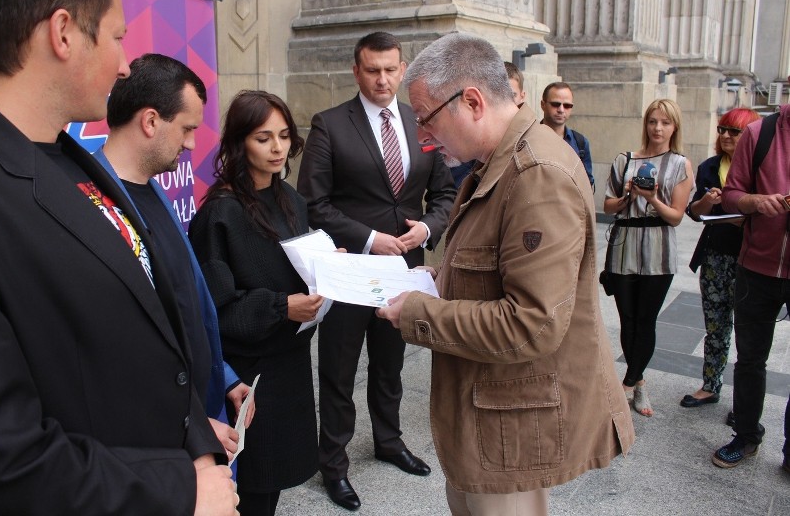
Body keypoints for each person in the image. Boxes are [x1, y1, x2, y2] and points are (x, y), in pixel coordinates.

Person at [0, 0, 238, 515]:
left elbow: (140, 332)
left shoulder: (73, 155)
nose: (126, 65)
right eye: (117, 37)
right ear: (63, 33)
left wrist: (196, 442)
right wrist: (176, 491)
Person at [376, 32, 634, 516]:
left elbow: (532, 322)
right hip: (494, 412)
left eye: (426, 119)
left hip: (512, 424)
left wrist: (419, 312)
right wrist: (440, 279)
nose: (423, 139)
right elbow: (495, 268)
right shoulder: (496, 162)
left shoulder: (536, 173)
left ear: (471, 101)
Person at [297, 31, 456, 511]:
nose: (382, 79)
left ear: (403, 69)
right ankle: (335, 465)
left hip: (403, 273)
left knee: (391, 365)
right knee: (339, 372)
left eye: (390, 69)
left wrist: (426, 231)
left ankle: (388, 441)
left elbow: (445, 194)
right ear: (356, 71)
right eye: (372, 70)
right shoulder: (329, 125)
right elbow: (312, 203)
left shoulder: (420, 122)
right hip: (348, 270)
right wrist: (369, 238)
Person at [93, 53, 255, 455]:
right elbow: (126, 351)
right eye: (186, 129)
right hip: (163, 439)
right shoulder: (92, 206)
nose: (191, 143)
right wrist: (192, 427)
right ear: (150, 121)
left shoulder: (153, 189)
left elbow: (184, 303)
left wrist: (226, 376)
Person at [189, 90, 324, 515]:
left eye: (284, 135)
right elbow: (216, 310)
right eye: (263, 137)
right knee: (249, 487)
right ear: (239, 142)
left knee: (275, 485)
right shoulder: (220, 214)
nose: (278, 147)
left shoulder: (292, 201)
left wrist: (327, 267)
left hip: (293, 361)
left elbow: (296, 268)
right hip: (249, 374)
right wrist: (281, 307)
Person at [711, 96, 790, 472]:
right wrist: (756, 201)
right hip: (756, 266)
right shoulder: (760, 133)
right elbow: (732, 194)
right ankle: (745, 435)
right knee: (750, 360)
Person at [603, 99, 694, 417]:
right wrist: (628, 196)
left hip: (659, 249)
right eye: (653, 121)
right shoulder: (624, 159)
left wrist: (652, 197)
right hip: (625, 245)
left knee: (646, 320)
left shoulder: (681, 164)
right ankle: (638, 383)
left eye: (665, 123)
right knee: (627, 319)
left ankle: (628, 383)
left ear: (675, 127)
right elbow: (607, 206)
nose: (658, 128)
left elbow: (676, 217)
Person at [680, 108, 760, 409]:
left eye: (734, 131)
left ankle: (745, 402)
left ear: (750, 135)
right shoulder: (710, 167)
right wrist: (707, 202)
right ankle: (711, 385)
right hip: (715, 257)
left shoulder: (760, 169)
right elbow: (694, 212)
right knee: (716, 325)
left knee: (749, 333)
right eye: (722, 129)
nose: (725, 135)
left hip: (750, 258)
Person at [540, 81, 594, 189]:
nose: (561, 110)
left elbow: (588, 184)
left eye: (567, 105)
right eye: (555, 104)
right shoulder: (529, 138)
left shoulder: (580, 143)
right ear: (543, 105)